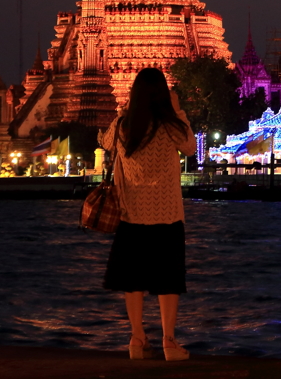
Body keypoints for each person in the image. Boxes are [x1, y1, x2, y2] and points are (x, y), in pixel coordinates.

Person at [102, 68, 193, 362]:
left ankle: (137, 338)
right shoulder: (171, 125)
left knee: (134, 280)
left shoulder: (123, 126)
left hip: (131, 215)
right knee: (168, 280)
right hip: (167, 214)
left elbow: (104, 143)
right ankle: (168, 341)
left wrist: (124, 112)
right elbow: (191, 147)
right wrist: (178, 110)